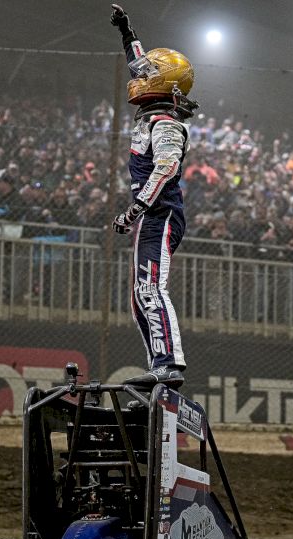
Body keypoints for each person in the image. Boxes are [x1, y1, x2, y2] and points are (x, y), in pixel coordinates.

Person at [109, 4, 199, 389]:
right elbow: (141, 63)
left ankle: (169, 365)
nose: (139, 75)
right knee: (138, 296)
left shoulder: (165, 124)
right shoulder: (154, 116)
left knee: (150, 289)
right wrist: (127, 33)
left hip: (158, 214)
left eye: (147, 74)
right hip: (153, 215)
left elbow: (165, 169)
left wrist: (136, 209)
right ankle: (159, 367)